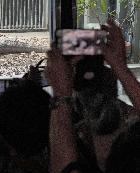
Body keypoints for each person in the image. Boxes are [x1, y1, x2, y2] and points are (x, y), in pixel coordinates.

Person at [45, 18, 140, 173]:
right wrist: (120, 67)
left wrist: (61, 94)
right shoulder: (127, 116)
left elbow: (66, 169)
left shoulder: (75, 131)